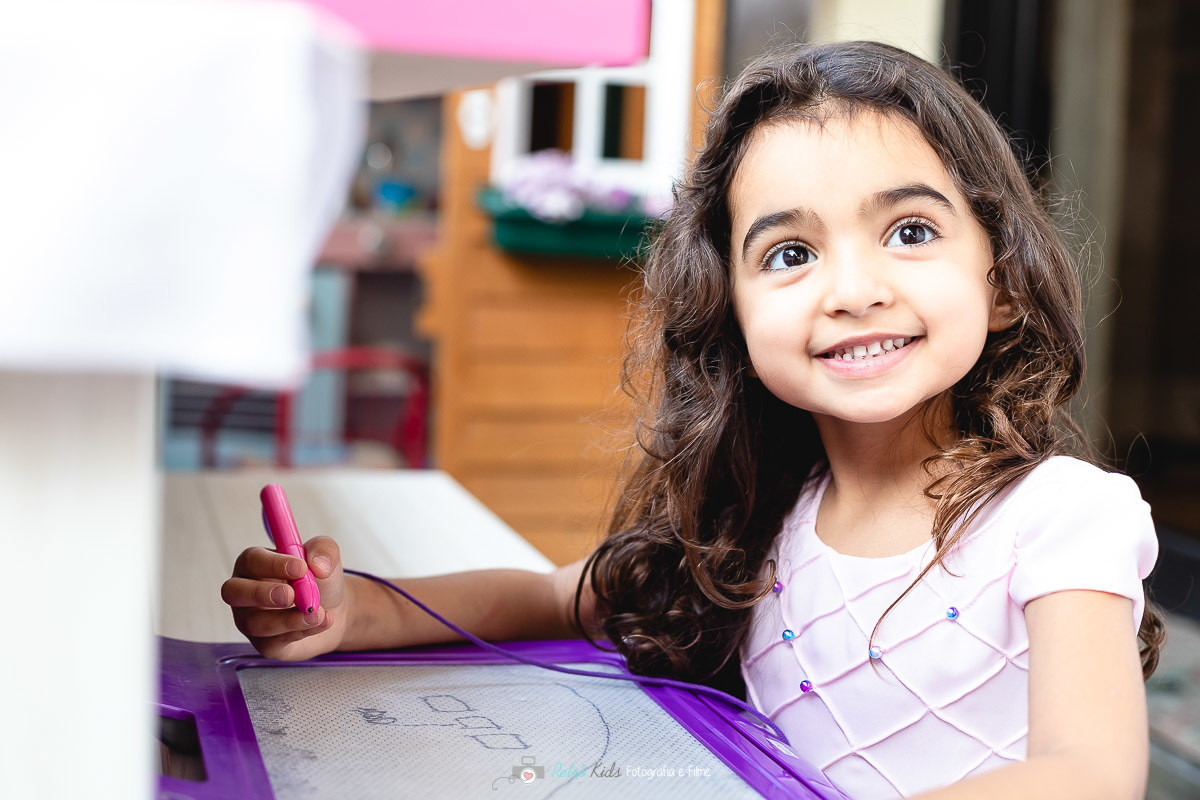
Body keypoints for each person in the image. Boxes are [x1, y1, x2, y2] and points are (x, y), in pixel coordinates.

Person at [221, 41, 1162, 799]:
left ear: (999, 281)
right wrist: (350, 613)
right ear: (735, 315)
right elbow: (549, 599)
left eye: (909, 232)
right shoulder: (755, 526)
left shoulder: (1062, 516)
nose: (854, 290)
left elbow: (1090, 774)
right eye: (790, 252)